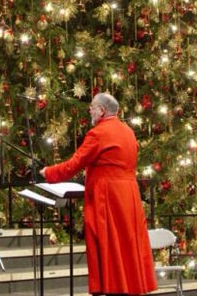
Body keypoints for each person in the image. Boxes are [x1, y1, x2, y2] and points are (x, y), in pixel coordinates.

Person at [40, 92, 157, 296]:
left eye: (93, 107)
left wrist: (48, 172)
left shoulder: (99, 133)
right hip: (128, 195)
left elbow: (74, 164)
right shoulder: (128, 131)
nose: (90, 110)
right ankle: (127, 287)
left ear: (102, 111)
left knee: (108, 245)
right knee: (127, 245)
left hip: (108, 196)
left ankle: (113, 287)